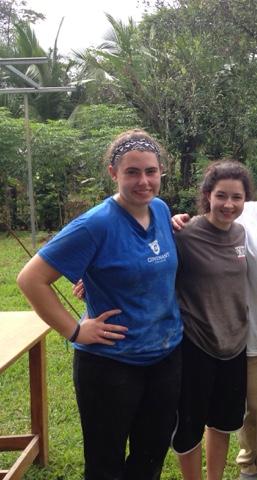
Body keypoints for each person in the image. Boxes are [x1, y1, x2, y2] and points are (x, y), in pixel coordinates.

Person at [16, 129, 183, 480]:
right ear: (113, 173)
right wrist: (75, 330)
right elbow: (31, 279)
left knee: (150, 457)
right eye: (132, 172)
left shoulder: (160, 209)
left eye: (151, 171)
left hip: (165, 357)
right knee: (105, 464)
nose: (143, 181)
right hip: (111, 365)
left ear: (161, 172)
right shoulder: (96, 223)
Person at [173, 157, 257, 480]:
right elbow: (156, 260)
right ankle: (248, 463)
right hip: (222, 337)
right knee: (247, 407)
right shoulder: (210, 225)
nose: (229, 203)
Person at [170, 160, 252, 480]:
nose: (229, 204)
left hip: (235, 344)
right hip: (196, 343)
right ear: (207, 195)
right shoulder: (184, 234)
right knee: (189, 425)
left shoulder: (241, 233)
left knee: (222, 422)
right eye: (221, 196)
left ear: (245, 200)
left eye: (237, 197)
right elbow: (147, 263)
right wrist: (91, 280)